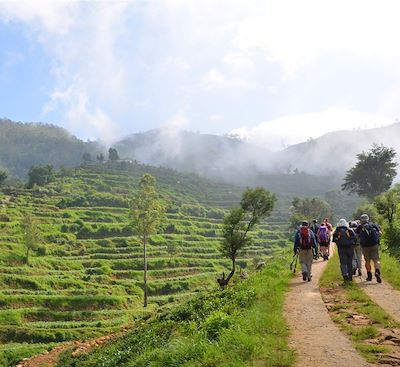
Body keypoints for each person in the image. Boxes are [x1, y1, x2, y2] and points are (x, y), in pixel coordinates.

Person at [356, 214, 382, 283]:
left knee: (367, 261)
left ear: (361, 220)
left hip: (365, 246)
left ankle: (369, 275)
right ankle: (377, 271)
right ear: (368, 219)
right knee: (376, 260)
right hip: (374, 245)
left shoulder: (360, 227)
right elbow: (380, 233)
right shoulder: (373, 225)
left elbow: (357, 236)